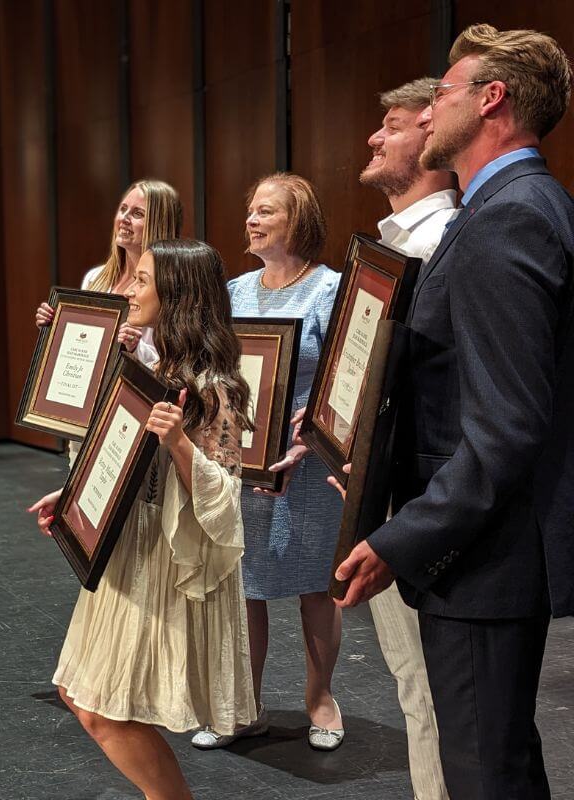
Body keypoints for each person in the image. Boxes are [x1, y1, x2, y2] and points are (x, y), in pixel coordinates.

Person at [335, 24, 574, 798]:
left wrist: (403, 537)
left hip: (484, 557)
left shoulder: (511, 216)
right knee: (499, 762)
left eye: (442, 94)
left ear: (492, 100)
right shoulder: (510, 205)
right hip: (483, 549)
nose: (429, 111)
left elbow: (506, 425)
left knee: (483, 775)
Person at [28, 239, 256, 800]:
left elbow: (226, 499)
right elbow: (124, 455)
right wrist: (74, 493)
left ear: (175, 294)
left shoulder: (213, 386)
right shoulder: (155, 366)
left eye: (143, 280)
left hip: (162, 559)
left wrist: (178, 440)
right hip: (127, 549)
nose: (128, 288)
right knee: (84, 696)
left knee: (101, 706)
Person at [194, 174, 345, 750]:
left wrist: (312, 435)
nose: (251, 220)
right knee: (246, 585)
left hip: (307, 461)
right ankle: (244, 704)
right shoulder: (233, 291)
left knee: (314, 586)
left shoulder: (329, 289)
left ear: (297, 220)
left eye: (265, 211)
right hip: (244, 458)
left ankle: (320, 697)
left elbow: (346, 379)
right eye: (250, 210)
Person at [352, 76, 459, 800]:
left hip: (425, 501)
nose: (373, 136)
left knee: (435, 694)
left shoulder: (444, 240)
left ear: (431, 133)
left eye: (392, 124)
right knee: (416, 686)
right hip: (391, 490)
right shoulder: (395, 245)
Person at [35, 179, 183, 367]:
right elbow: (84, 342)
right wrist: (54, 326)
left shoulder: (170, 285)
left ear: (158, 223)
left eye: (137, 213)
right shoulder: (95, 277)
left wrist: (136, 347)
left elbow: (174, 362)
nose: (124, 219)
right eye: (123, 209)